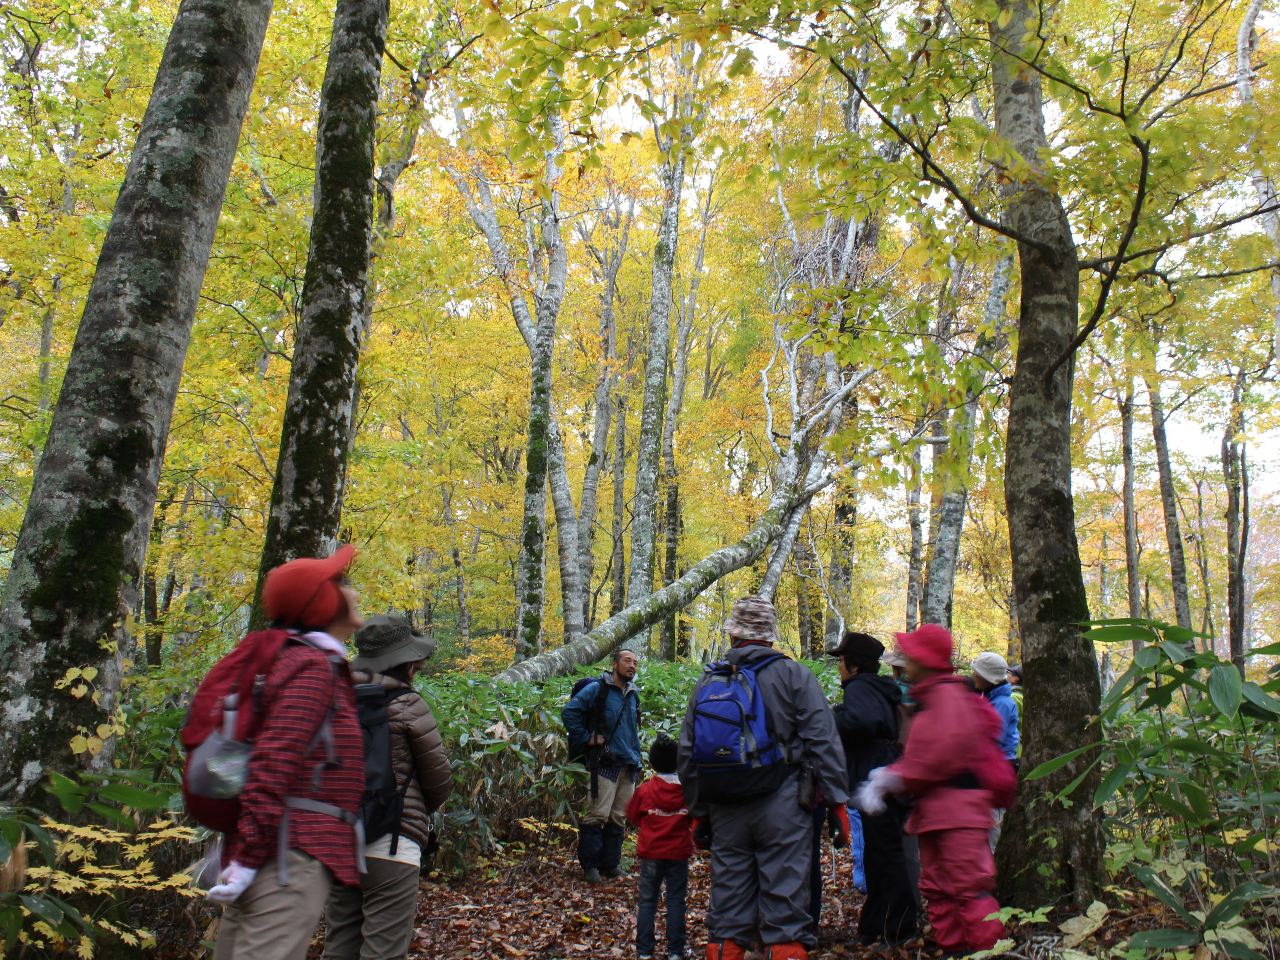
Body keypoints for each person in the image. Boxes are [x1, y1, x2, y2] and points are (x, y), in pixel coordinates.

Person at [210, 546, 366, 960]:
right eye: (342, 584)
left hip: (275, 848)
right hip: (287, 854)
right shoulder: (312, 668)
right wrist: (249, 859)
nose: (353, 591)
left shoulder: (301, 661)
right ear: (323, 603)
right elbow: (273, 763)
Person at [678, 596, 850, 960]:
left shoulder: (709, 678)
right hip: (784, 803)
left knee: (727, 911)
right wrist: (838, 802)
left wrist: (698, 812)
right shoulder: (794, 674)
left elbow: (688, 752)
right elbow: (823, 740)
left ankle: (725, 948)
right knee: (785, 906)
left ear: (734, 634)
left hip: (725, 807)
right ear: (770, 636)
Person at [856, 625, 1006, 959]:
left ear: (925, 659)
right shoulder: (935, 695)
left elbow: (934, 758)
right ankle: (955, 950)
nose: (906, 663)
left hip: (960, 812)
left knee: (968, 888)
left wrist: (888, 778)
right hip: (938, 814)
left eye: (911, 656)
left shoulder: (946, 697)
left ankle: (989, 952)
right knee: (938, 889)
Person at [322, 615, 454, 960]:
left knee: (339, 943)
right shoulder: (408, 704)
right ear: (405, 661)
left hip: (337, 838)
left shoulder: (331, 700)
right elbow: (439, 782)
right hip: (393, 841)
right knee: (384, 950)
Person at [830, 632, 918, 947]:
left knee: (886, 852)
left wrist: (833, 717)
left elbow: (862, 722)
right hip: (885, 772)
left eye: (840, 660)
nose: (839, 666)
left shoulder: (860, 687)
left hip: (876, 777)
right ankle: (874, 926)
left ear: (853, 666)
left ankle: (903, 927)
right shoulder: (882, 687)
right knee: (878, 852)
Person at [562, 648, 642, 883]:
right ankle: (591, 868)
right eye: (627, 661)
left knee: (618, 817)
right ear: (614, 664)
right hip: (604, 761)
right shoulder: (598, 688)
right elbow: (570, 713)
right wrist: (587, 737)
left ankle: (612, 865)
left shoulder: (633, 693)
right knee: (597, 814)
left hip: (629, 764)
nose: (632, 666)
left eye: (635, 663)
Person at [626, 734, 694, 960]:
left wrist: (651, 824)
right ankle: (675, 951)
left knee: (647, 901)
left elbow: (633, 814)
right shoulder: (687, 791)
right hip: (678, 854)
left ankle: (645, 951)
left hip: (651, 853)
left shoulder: (645, 790)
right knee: (676, 901)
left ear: (653, 763)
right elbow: (695, 818)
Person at [972, 652, 1019, 763]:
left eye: (977, 673)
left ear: (987, 679)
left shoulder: (1002, 703)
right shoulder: (990, 698)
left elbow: (993, 740)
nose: (973, 675)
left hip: (999, 763)